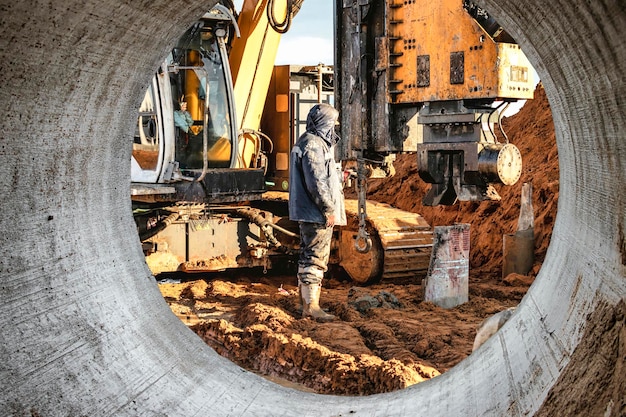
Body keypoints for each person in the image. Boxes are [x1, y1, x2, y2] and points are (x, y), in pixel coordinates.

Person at [289, 103, 346, 321]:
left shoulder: (308, 142)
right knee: (315, 258)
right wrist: (328, 209)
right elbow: (317, 182)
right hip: (315, 213)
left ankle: (305, 303)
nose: (334, 129)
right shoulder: (313, 145)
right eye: (333, 124)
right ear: (324, 124)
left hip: (309, 211)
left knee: (307, 256)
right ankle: (311, 307)